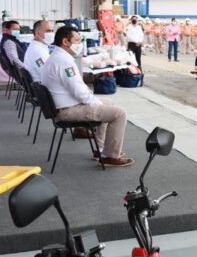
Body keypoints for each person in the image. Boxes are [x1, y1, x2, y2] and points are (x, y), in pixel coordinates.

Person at [40, 26, 133, 167]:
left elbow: (78, 89)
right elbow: (79, 92)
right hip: (67, 110)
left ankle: (101, 150)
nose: (80, 44)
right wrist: (95, 102)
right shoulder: (64, 61)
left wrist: (95, 101)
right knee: (119, 113)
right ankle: (111, 156)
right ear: (66, 42)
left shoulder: (57, 57)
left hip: (63, 106)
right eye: (77, 40)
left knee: (108, 103)